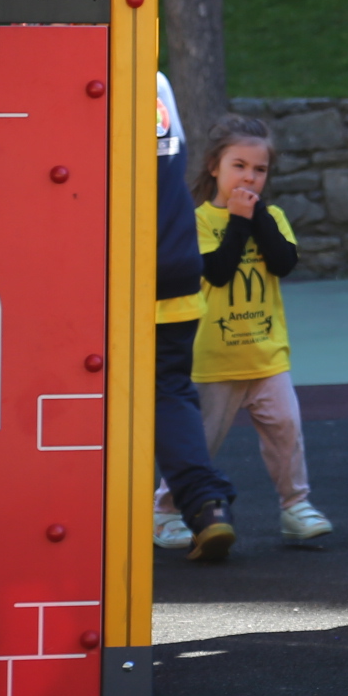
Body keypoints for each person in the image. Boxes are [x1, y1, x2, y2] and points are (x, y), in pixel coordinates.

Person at [190, 115, 332, 544]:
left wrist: (257, 217)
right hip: (214, 360)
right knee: (200, 445)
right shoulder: (197, 221)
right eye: (239, 166)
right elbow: (216, 271)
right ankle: (169, 506)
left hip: (266, 355)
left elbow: (283, 262)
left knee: (286, 430)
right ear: (215, 166)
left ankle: (295, 505)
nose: (249, 176)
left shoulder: (273, 217)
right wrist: (237, 221)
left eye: (260, 169)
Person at [149, 72, 236, 562]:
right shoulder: (154, 79)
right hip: (176, 256)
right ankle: (205, 506)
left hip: (122, 259)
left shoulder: (73, 71)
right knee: (170, 389)